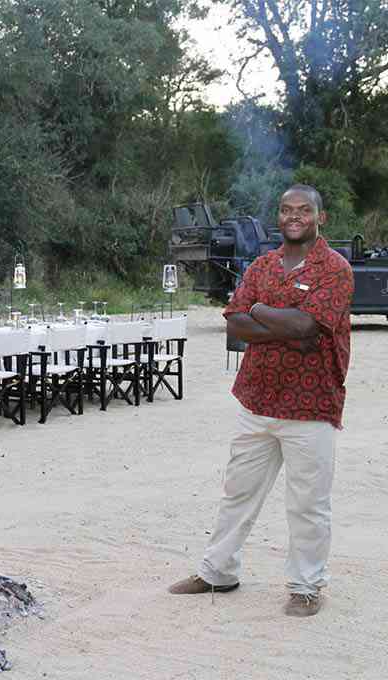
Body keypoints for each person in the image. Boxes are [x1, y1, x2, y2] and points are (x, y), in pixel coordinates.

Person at [168, 184, 354, 617]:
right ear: (279, 216)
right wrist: (283, 320)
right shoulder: (263, 264)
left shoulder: (336, 268)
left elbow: (307, 326)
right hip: (257, 400)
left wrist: (265, 312)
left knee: (308, 503)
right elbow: (236, 320)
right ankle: (218, 572)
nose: (294, 217)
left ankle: (306, 587)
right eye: (287, 210)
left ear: (319, 218)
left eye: (303, 210)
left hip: (311, 406)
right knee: (238, 493)